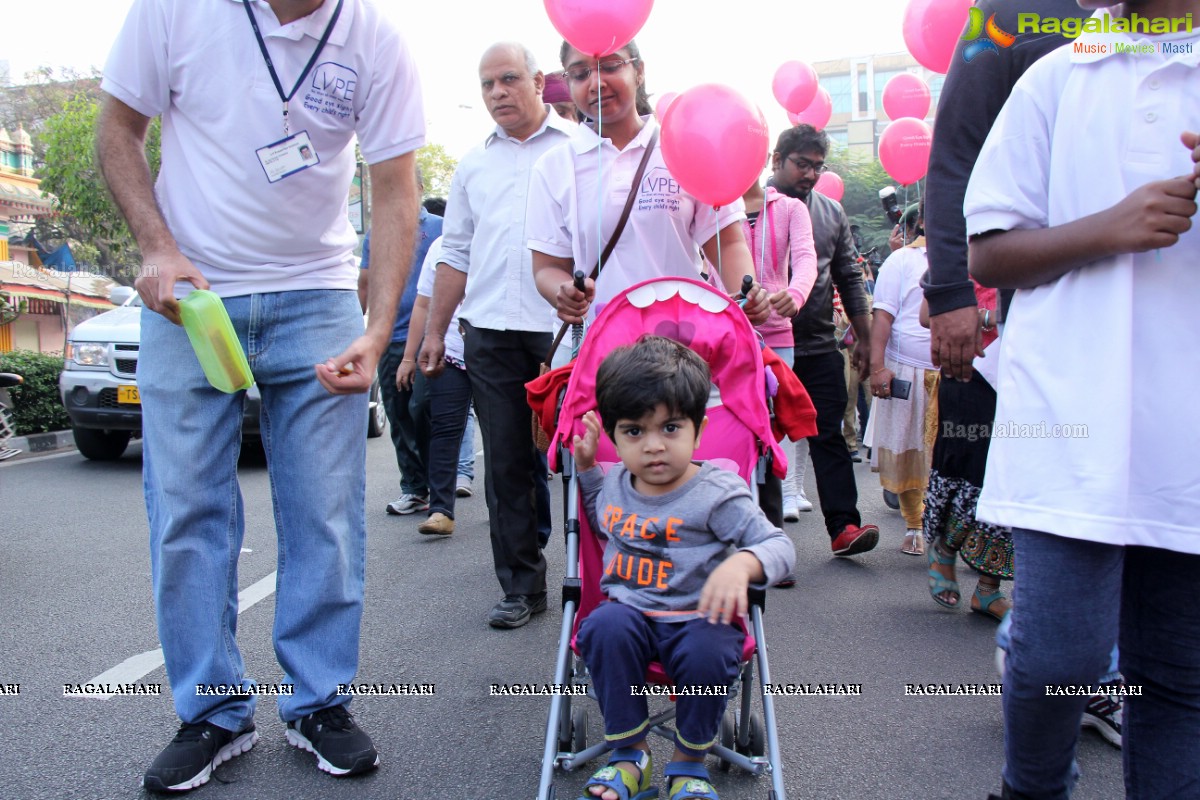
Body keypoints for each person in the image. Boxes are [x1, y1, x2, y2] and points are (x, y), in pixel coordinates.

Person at [96, 0, 424, 790]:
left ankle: (318, 702)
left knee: (325, 514)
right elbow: (117, 130)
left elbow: (394, 187)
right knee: (187, 510)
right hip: (191, 297)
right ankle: (212, 711)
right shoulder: (173, 11)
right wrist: (155, 246)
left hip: (315, 297)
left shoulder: (375, 38)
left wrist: (377, 332)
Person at [965, 0, 1200, 792]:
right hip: (1066, 419)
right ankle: (1030, 787)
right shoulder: (1054, 79)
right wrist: (1114, 225)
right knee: (1055, 658)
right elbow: (990, 254)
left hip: (1186, 433)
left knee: (1177, 675)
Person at [572, 336, 795, 800]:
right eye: (634, 431)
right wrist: (589, 469)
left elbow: (778, 545)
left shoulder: (717, 490)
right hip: (631, 615)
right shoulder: (615, 481)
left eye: (670, 428)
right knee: (601, 626)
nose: (653, 447)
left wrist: (745, 563)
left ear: (699, 427)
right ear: (614, 434)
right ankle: (630, 755)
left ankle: (690, 764)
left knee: (709, 651)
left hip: (699, 618)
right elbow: (601, 520)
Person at [418, 42, 574, 629]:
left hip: (566, 331)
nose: (497, 93)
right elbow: (453, 252)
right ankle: (522, 585)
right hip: (488, 333)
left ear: (537, 81)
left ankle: (606, 579)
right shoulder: (472, 164)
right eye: (486, 84)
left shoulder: (576, 150)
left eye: (508, 79)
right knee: (506, 461)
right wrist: (435, 333)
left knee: (591, 456)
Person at [527, 38, 770, 330]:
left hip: (681, 347)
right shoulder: (554, 166)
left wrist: (746, 296)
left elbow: (728, 241)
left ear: (639, 71)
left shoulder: (686, 147)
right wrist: (562, 292)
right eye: (580, 74)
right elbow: (547, 267)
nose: (596, 83)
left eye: (611, 66)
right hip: (594, 348)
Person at [769, 125, 877, 556]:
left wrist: (865, 339)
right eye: (802, 164)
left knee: (828, 434)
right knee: (757, 442)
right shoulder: (747, 206)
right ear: (777, 160)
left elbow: (849, 278)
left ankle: (844, 528)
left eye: (818, 166)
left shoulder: (831, 213)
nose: (811, 174)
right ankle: (758, 541)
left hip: (816, 345)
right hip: (762, 347)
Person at [358, 168, 442, 516]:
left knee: (424, 410)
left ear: (420, 188)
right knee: (398, 413)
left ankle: (441, 484)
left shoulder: (439, 227)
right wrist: (359, 330)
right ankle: (414, 487)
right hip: (390, 338)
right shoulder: (376, 233)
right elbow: (365, 283)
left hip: (434, 339)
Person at [740, 178, 818, 527]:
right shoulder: (709, 205)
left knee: (775, 423)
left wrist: (796, 294)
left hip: (777, 333)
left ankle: (777, 515)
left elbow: (805, 258)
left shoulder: (790, 208)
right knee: (733, 426)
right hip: (726, 332)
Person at [863, 203, 939, 557]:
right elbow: (883, 317)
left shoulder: (971, 256)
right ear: (921, 221)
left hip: (957, 373)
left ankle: (950, 531)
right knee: (908, 451)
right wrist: (878, 368)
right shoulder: (901, 261)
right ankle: (914, 525)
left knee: (951, 456)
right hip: (907, 370)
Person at [397, 235, 476, 535]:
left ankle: (505, 511)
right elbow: (422, 304)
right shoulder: (442, 245)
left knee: (501, 435)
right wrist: (408, 357)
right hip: (449, 349)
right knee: (442, 426)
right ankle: (441, 510)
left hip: (495, 350)